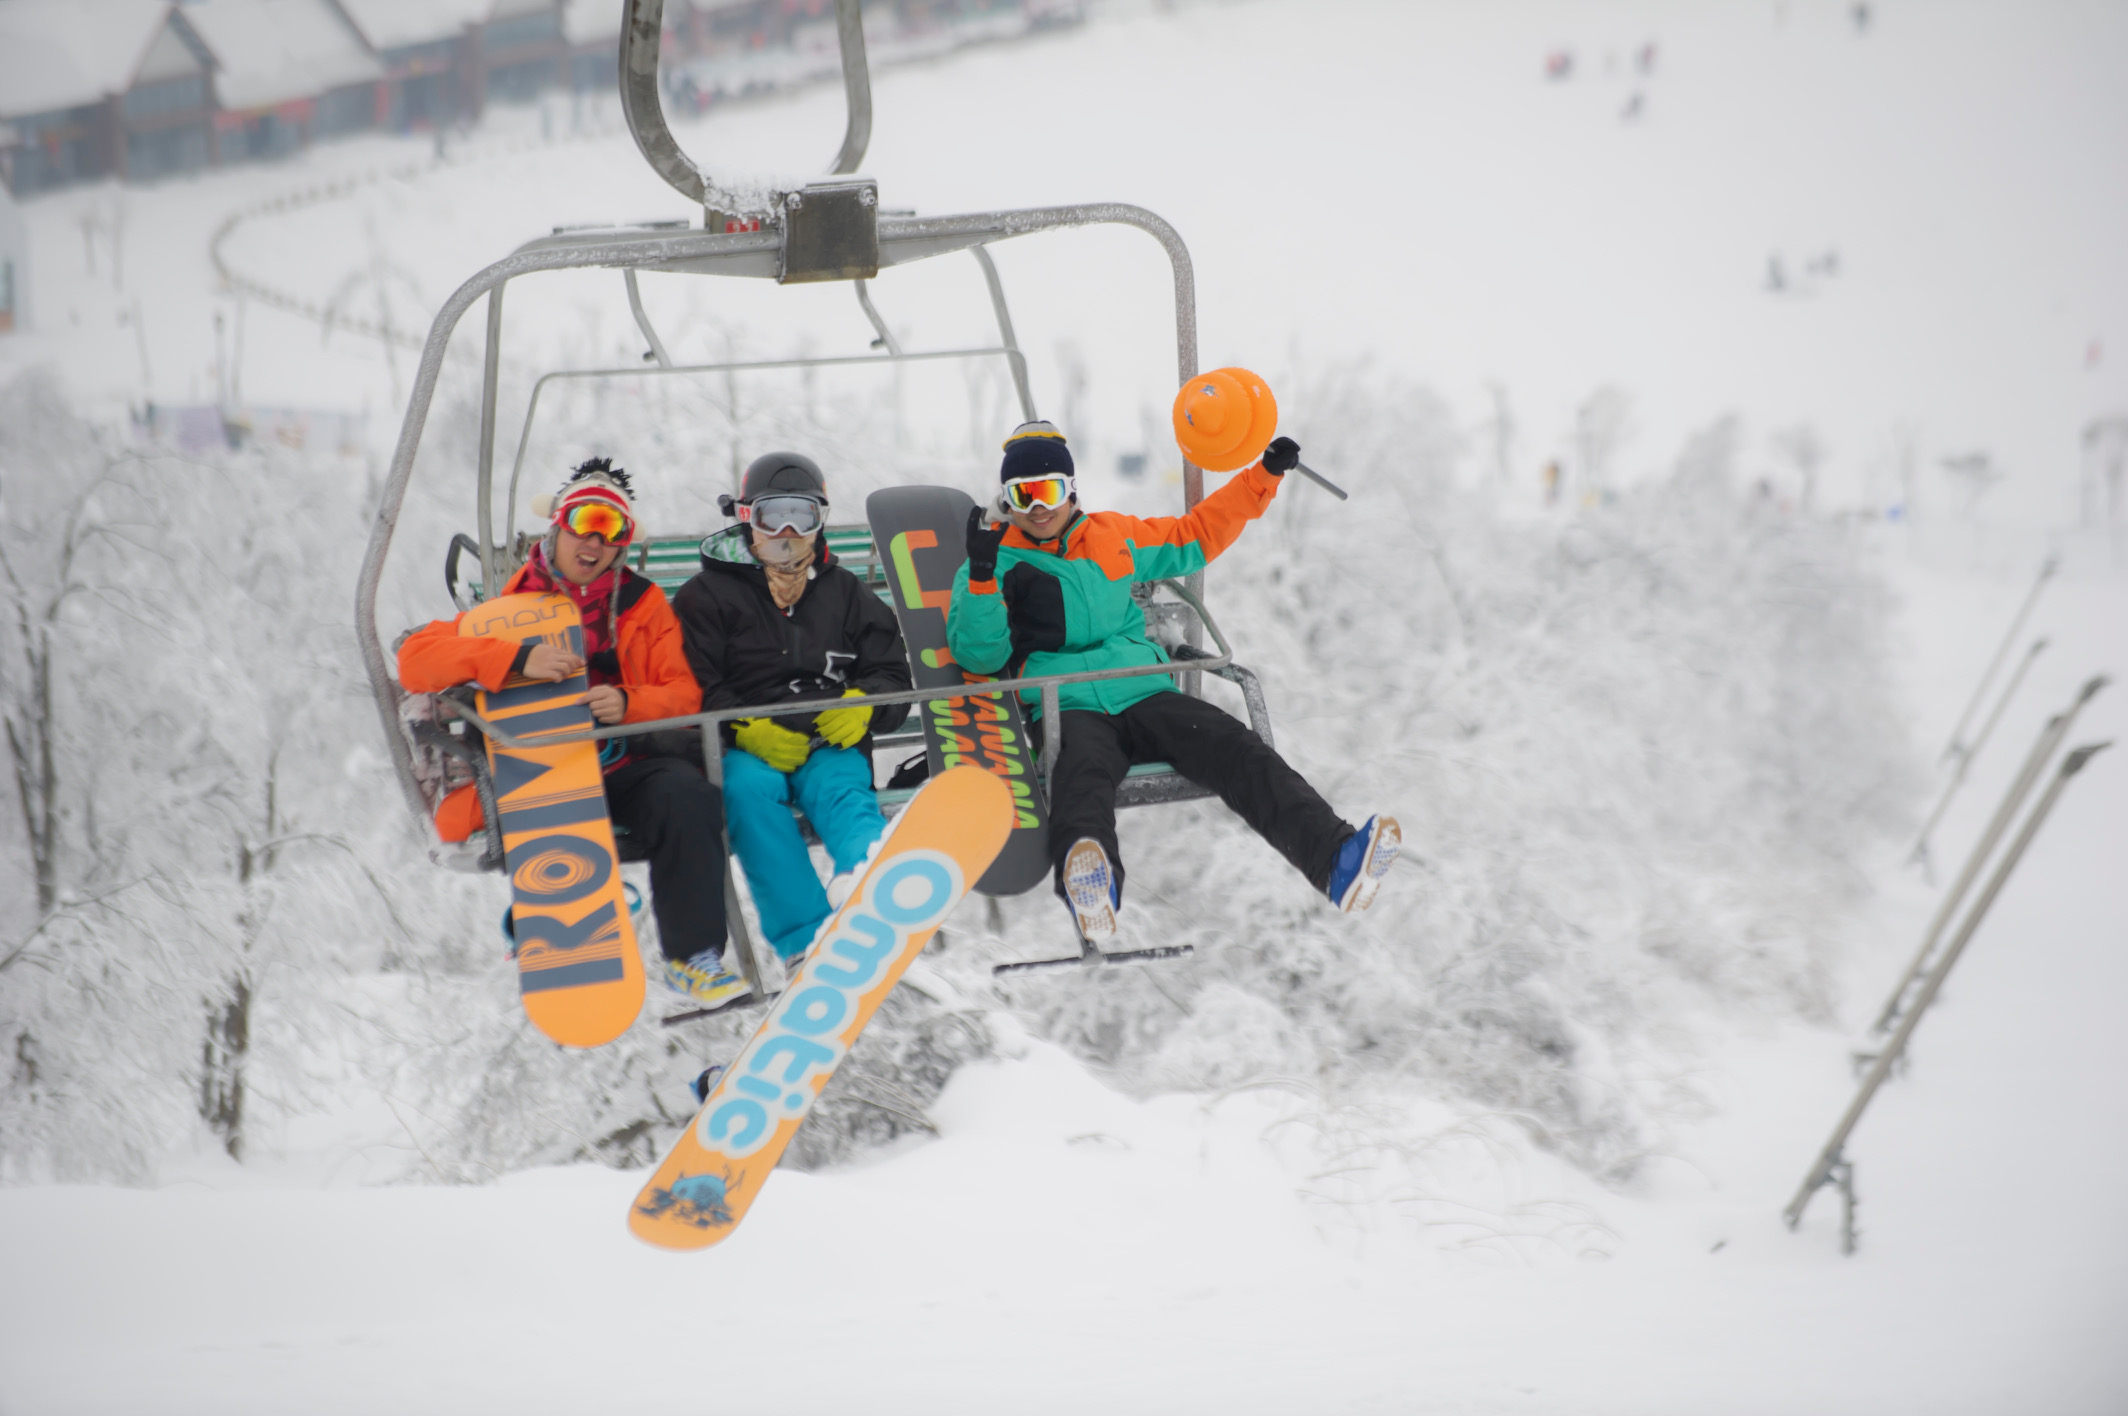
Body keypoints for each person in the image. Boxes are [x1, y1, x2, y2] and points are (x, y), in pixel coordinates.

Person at [948, 421, 1400, 941]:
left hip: (1143, 689)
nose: (1037, 507)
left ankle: (1337, 860)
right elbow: (979, 657)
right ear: (1006, 499)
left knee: (1236, 748)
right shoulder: (995, 560)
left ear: (1071, 489)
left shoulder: (1113, 535)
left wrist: (1262, 477)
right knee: (1081, 775)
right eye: (1021, 495)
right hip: (1065, 701)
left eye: (1048, 489)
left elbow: (1193, 537)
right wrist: (981, 575)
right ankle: (1091, 886)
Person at [397, 459, 748, 1008]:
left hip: (623, 761)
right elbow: (416, 660)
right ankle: (553, 919)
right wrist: (515, 659)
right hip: (543, 763)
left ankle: (693, 957)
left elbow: (683, 693)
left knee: (688, 797)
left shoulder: (641, 605)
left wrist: (629, 704)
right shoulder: (507, 609)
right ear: (557, 525)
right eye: (585, 520)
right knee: (527, 802)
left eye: (614, 531)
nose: (596, 541)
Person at [673, 451, 913, 970]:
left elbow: (893, 673)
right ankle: (805, 938)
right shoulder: (705, 597)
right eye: (771, 514)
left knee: (842, 787)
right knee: (744, 793)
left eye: (802, 515)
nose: (786, 530)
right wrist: (742, 728)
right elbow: (692, 685)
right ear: (745, 519)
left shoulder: (843, 593)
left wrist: (863, 706)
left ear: (820, 521)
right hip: (749, 745)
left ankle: (865, 884)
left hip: (827, 734)